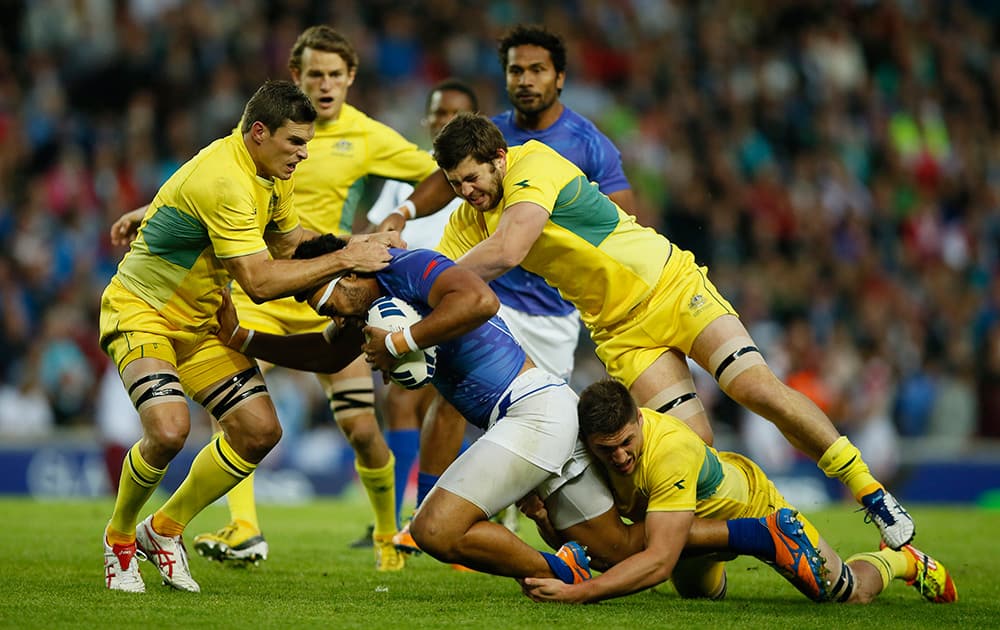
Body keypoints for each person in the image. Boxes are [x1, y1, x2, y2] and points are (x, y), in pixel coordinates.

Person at [429, 112, 915, 550]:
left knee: (753, 387)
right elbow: (430, 276)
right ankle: (763, 536)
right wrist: (384, 265)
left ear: (498, 157)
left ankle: (871, 493)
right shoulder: (469, 219)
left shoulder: (532, 164)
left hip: (670, 286)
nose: (467, 191)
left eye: (471, 178)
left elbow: (509, 249)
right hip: (621, 331)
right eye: (455, 185)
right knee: (686, 455)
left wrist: (435, 284)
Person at [216, 234, 820, 586]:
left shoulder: (408, 267)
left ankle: (561, 575)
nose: (331, 315)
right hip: (537, 417)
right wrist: (242, 338)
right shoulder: (363, 310)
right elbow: (323, 356)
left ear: (351, 269)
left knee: (433, 530)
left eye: (326, 297)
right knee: (621, 553)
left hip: (532, 412)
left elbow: (478, 300)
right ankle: (759, 535)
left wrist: (403, 341)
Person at [99, 79, 394, 593]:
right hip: (142, 311)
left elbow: (288, 242)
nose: (304, 154)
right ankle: (120, 538)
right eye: (296, 143)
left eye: (307, 143)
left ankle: (163, 530)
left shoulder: (270, 173)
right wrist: (348, 259)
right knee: (169, 431)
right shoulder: (226, 179)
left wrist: (361, 243)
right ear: (259, 132)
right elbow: (259, 282)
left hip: (204, 321)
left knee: (259, 432)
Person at [178, 25, 437, 571]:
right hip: (262, 283)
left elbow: (437, 172)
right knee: (235, 412)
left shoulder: (369, 135)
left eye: (334, 75)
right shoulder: (268, 130)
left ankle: (388, 535)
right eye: (314, 73)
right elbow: (207, 182)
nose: (324, 84)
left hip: (328, 288)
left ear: (350, 80)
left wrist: (395, 220)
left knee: (362, 430)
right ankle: (244, 527)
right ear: (296, 76)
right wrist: (146, 215)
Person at [377, 25, 636, 545]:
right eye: (516, 70)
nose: (525, 80)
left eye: (537, 70)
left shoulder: (587, 143)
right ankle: (424, 512)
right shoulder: (488, 134)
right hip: (497, 297)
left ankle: (555, 517)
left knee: (549, 425)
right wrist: (404, 212)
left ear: (559, 77)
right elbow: (441, 177)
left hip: (554, 311)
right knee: (450, 392)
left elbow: (621, 216)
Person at [520, 379, 957, 605]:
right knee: (695, 593)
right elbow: (602, 546)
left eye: (625, 443)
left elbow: (655, 562)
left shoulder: (667, 450)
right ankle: (742, 542)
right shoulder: (590, 451)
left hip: (752, 502)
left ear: (638, 420)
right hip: (691, 521)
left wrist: (581, 593)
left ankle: (900, 561)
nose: (618, 457)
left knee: (844, 592)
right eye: (606, 449)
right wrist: (544, 520)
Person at [365, 78, 479, 532]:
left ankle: (425, 513)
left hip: (455, 294)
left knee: (444, 402)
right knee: (401, 401)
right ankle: (400, 518)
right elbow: (377, 233)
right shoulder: (402, 182)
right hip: (406, 296)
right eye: (435, 112)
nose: (440, 120)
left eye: (452, 113)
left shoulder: (473, 179)